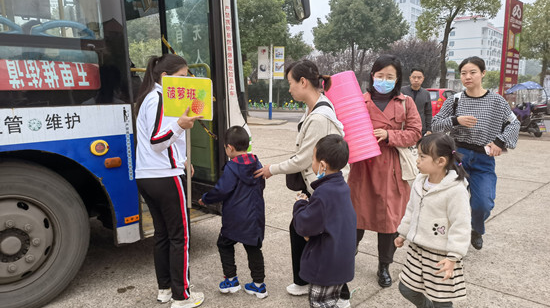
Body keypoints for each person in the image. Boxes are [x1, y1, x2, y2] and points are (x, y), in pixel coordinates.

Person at [253, 60, 349, 302]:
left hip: (323, 186)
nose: (289, 89)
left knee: (323, 237)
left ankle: (340, 294)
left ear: (303, 82)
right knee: (302, 229)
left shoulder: (319, 117)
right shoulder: (314, 108)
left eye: (290, 83)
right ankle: (303, 280)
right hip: (319, 184)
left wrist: (270, 169)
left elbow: (305, 158)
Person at [346, 54, 422, 289]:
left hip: (391, 166)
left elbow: (415, 132)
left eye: (390, 77)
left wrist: (390, 135)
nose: (384, 80)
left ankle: (384, 266)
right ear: (372, 75)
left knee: (389, 220)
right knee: (355, 216)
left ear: (397, 79)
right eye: (380, 76)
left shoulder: (405, 102)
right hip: (363, 167)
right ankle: (348, 256)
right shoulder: (359, 101)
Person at [135, 54, 204, 308]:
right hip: (165, 176)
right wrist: (180, 125)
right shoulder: (160, 98)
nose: (187, 82)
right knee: (180, 237)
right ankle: (182, 296)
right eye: (182, 77)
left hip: (148, 175)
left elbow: (161, 139)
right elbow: (157, 141)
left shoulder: (149, 97)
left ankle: (165, 289)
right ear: (165, 77)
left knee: (163, 235)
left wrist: (183, 158)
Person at [431, 56, 520, 250]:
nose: (467, 77)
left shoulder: (497, 101)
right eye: (464, 73)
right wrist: (456, 120)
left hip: (483, 159)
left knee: (483, 204)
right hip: (457, 156)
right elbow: (435, 124)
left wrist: (499, 141)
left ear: (483, 73)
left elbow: (514, 123)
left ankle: (476, 228)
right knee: (449, 200)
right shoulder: (454, 100)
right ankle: (447, 237)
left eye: (472, 72)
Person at [395, 133, 471, 307]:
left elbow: (462, 224)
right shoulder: (419, 182)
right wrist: (403, 233)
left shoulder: (455, 190)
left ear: (441, 161)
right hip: (417, 250)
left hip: (441, 255)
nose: (417, 160)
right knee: (406, 288)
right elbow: (411, 210)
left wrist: (454, 257)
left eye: (422, 156)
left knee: (441, 300)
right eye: (417, 155)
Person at [198, 126, 268, 299]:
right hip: (254, 217)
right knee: (253, 248)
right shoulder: (256, 163)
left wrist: (205, 199)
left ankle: (231, 280)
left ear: (230, 148)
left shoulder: (232, 168)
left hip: (235, 218)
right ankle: (259, 285)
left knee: (224, 244)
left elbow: (222, 190)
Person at [293, 135, 356, 308]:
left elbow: (304, 225)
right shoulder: (341, 186)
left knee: (319, 302)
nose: (311, 162)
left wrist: (300, 204)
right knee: (332, 300)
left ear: (322, 165)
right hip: (340, 260)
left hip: (326, 263)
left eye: (313, 158)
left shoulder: (323, 194)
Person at [401, 68, 432, 135]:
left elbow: (428, 113)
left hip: (421, 129)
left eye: (419, 77)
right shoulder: (402, 91)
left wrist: (429, 129)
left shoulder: (426, 93)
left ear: (423, 78)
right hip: (404, 128)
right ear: (410, 78)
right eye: (414, 77)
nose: (416, 80)